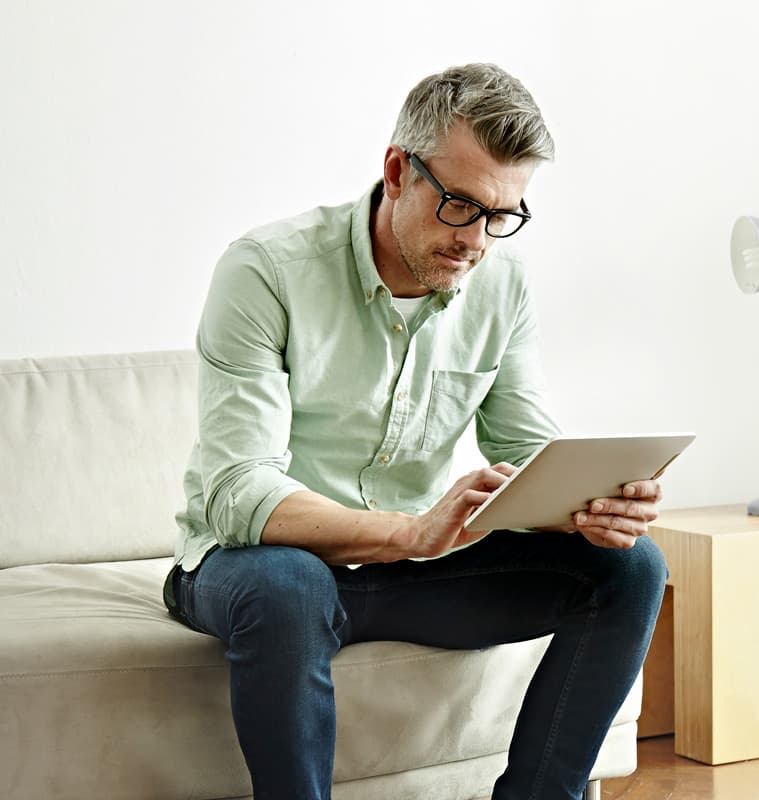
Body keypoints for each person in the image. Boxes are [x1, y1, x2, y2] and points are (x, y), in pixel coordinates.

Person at [164, 63, 667, 800]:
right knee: (294, 587)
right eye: (462, 205)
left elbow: (526, 452)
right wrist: (407, 533)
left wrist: (594, 504)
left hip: (413, 572)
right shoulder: (266, 270)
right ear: (398, 171)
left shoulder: (501, 285)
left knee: (633, 567)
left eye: (504, 215)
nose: (478, 241)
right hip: (259, 565)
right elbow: (239, 491)